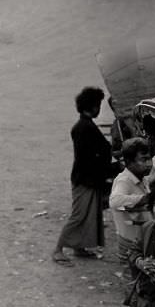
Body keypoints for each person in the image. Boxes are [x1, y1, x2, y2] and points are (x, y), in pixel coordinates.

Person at [52, 87, 113, 265]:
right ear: (93, 106)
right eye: (98, 105)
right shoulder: (84, 128)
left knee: (88, 213)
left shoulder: (84, 126)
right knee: (79, 215)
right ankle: (58, 249)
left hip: (87, 178)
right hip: (85, 179)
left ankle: (79, 247)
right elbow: (90, 156)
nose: (99, 109)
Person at [108, 137, 152, 271]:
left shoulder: (142, 178)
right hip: (129, 241)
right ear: (130, 162)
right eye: (143, 160)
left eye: (148, 159)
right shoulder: (124, 180)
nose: (148, 163)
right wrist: (143, 199)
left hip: (139, 239)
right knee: (131, 276)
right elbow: (114, 202)